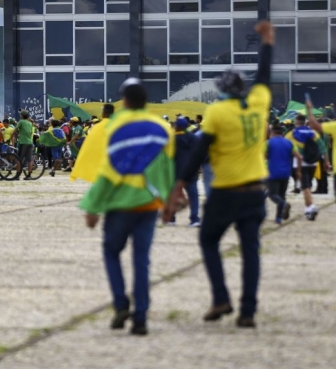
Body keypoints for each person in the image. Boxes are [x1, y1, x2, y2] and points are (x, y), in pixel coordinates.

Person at [168, 20, 275, 329]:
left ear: (221, 91)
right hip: (256, 191)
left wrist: (180, 184)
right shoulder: (259, 104)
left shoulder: (217, 113)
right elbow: (265, 75)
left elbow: (199, 152)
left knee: (209, 241)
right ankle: (248, 311)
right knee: (251, 252)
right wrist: (268, 42)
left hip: (227, 191)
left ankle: (220, 297)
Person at [80, 79, 174, 336]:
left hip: (119, 204)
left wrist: (92, 206)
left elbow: (108, 170)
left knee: (112, 252)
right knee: (141, 259)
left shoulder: (116, 126)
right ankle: (141, 317)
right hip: (148, 204)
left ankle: (121, 304)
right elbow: (166, 169)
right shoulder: (162, 127)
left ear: (126, 101)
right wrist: (168, 202)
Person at [285, 114, 325, 221]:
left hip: (300, 163)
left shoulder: (292, 133)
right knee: (307, 186)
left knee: (305, 186)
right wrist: (326, 162)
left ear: (296, 122)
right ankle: (308, 209)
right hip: (313, 162)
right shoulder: (313, 133)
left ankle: (311, 207)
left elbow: (285, 145)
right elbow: (322, 147)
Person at [267, 123, 301, 224]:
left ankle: (284, 205)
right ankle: (278, 218)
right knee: (282, 194)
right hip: (286, 173)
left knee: (272, 194)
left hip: (273, 172)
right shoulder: (289, 143)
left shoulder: (268, 143)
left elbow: (262, 156)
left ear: (272, 132)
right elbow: (299, 157)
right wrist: (298, 171)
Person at [172, 117, 200, 227]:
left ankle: (172, 218)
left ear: (176, 126)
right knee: (193, 196)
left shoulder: (172, 139)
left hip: (176, 171)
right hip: (191, 171)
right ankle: (194, 218)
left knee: (174, 195)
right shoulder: (195, 139)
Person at [12, 110, 34, 179]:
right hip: (30, 142)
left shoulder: (21, 122)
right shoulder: (30, 123)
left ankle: (17, 175)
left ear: (22, 116)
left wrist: (10, 137)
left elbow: (15, 130)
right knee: (29, 159)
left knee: (19, 159)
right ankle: (29, 175)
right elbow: (30, 133)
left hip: (23, 142)